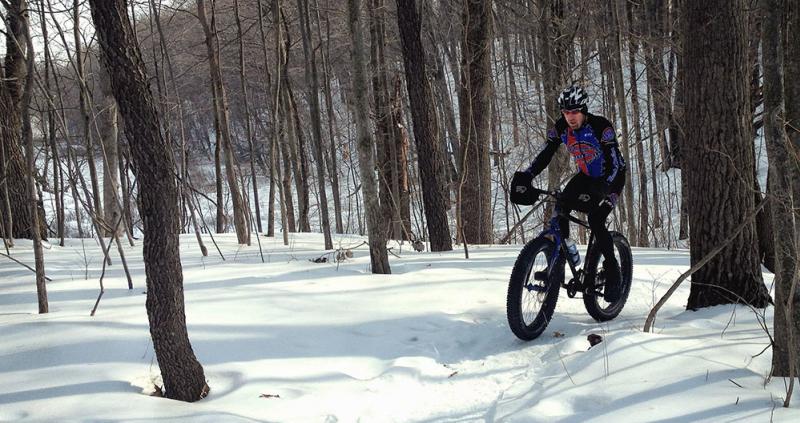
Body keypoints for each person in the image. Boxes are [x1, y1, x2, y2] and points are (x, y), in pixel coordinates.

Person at [512, 85, 627, 302]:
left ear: (583, 110)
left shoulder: (601, 127)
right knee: (561, 207)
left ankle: (613, 271)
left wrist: (602, 189)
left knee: (595, 218)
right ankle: (562, 258)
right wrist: (527, 175)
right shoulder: (561, 129)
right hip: (585, 175)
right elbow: (546, 155)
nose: (570, 117)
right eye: (566, 112)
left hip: (612, 178)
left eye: (574, 112)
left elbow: (614, 164)